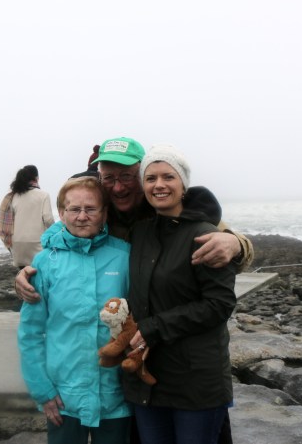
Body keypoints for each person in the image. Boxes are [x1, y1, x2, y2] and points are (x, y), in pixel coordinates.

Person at [15, 136, 253, 301]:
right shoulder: (96, 215)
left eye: (127, 176)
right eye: (109, 178)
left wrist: (236, 245)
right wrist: (32, 273)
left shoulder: (169, 209)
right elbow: (60, 241)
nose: (118, 187)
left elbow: (234, 249)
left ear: (143, 175)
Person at [124, 144, 236, 444]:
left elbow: (219, 304)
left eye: (168, 177)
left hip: (195, 381)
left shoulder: (206, 235)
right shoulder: (140, 233)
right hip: (147, 378)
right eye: (150, 178)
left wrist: (153, 327)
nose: (159, 185)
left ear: (184, 185)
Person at [17, 177, 132, 444]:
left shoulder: (124, 257)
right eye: (74, 209)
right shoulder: (45, 262)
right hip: (63, 397)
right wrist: (42, 390)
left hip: (115, 396)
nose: (82, 217)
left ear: (104, 213)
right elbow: (31, 333)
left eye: (90, 209)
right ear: (61, 213)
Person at [0, 165, 55, 269]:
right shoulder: (43, 195)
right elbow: (48, 219)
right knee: (40, 273)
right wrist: (57, 232)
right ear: (36, 178)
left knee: (24, 275)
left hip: (17, 244)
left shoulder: (13, 196)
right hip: (37, 244)